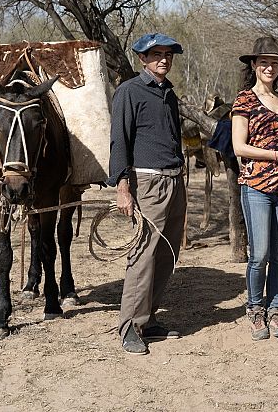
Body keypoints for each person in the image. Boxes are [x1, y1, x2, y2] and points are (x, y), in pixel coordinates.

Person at [108, 33, 187, 355]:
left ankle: (148, 319)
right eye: (156, 54)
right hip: (148, 184)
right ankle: (129, 327)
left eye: (168, 54)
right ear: (142, 58)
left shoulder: (168, 93)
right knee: (143, 256)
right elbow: (119, 142)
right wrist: (123, 187)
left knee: (167, 254)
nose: (163, 60)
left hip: (174, 181)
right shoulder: (129, 91)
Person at [231, 36, 278, 341]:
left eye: (274, 62)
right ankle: (255, 309)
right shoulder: (244, 100)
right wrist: (277, 155)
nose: (269, 67)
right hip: (256, 186)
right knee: (259, 254)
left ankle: (275, 311)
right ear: (254, 65)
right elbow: (239, 147)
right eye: (263, 62)